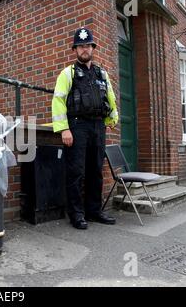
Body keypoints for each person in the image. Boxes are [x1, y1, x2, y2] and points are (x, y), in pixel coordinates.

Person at [52, 27, 119, 230]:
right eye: (80, 46)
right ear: (75, 49)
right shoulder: (68, 73)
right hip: (77, 126)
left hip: (98, 127)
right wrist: (64, 129)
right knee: (76, 172)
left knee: (95, 171)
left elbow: (111, 98)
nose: (84, 49)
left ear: (92, 48)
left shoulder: (102, 73)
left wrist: (111, 118)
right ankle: (76, 214)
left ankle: (94, 211)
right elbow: (58, 101)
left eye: (87, 45)